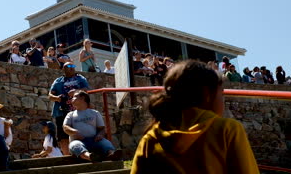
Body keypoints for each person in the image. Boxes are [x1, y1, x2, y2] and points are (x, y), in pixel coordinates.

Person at [130, 60, 259, 174]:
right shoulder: (228, 130)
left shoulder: (150, 138)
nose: (223, 99)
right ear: (207, 94)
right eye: (222, 93)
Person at [63, 90, 121, 162]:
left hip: (94, 140)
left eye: (74, 97)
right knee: (75, 145)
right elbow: (65, 127)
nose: (72, 99)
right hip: (78, 141)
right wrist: (74, 131)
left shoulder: (95, 113)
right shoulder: (70, 114)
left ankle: (112, 154)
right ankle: (90, 156)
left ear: (82, 98)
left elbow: (102, 129)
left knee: (106, 143)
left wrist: (100, 135)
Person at [48, 62, 90, 155]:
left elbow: (87, 90)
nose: (72, 68)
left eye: (73, 65)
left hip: (79, 111)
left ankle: (82, 153)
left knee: (81, 132)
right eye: (69, 66)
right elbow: (50, 95)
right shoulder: (58, 81)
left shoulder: (80, 78)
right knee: (63, 135)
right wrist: (56, 98)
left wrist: (76, 91)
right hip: (62, 111)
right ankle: (67, 156)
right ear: (64, 69)